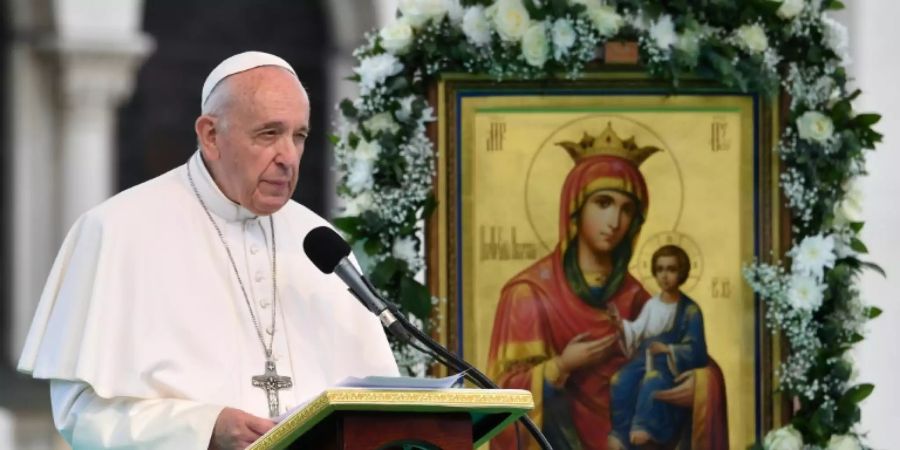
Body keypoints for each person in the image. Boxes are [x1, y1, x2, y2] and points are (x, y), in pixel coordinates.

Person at [16, 51, 399, 449]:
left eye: (298, 136)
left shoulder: (319, 239)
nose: (288, 157)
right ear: (211, 135)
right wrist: (204, 428)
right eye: (269, 134)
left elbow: (373, 404)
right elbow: (79, 414)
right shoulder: (116, 231)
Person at [486, 124, 728, 450]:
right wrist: (561, 366)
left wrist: (702, 387)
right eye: (603, 203)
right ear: (575, 208)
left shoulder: (637, 296)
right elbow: (499, 397)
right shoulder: (528, 294)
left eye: (627, 209)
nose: (615, 221)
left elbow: (689, 355)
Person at [606, 245, 709, 450]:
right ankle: (621, 432)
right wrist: (620, 324)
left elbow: (696, 350)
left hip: (670, 367)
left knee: (652, 380)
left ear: (682, 272)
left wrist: (669, 350)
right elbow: (637, 331)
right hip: (644, 358)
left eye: (671, 269)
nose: (665, 276)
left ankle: (644, 428)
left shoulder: (690, 310)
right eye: (660, 269)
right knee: (619, 380)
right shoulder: (652, 305)